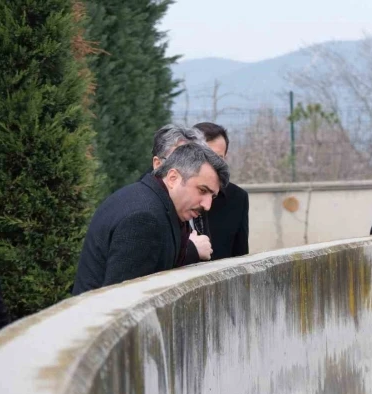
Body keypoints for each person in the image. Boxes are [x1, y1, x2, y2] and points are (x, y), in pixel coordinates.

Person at [72, 143, 229, 295]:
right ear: (173, 178)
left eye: (212, 196)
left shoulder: (148, 200)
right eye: (202, 190)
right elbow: (123, 302)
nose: (207, 205)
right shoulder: (144, 218)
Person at [150, 124, 214, 263]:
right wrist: (191, 250)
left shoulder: (200, 199)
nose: (186, 168)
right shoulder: (146, 208)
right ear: (157, 164)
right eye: (177, 160)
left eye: (192, 161)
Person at [193, 122, 250, 258]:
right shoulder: (173, 194)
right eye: (206, 156)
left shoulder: (238, 198)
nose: (212, 165)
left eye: (218, 158)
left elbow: (240, 256)